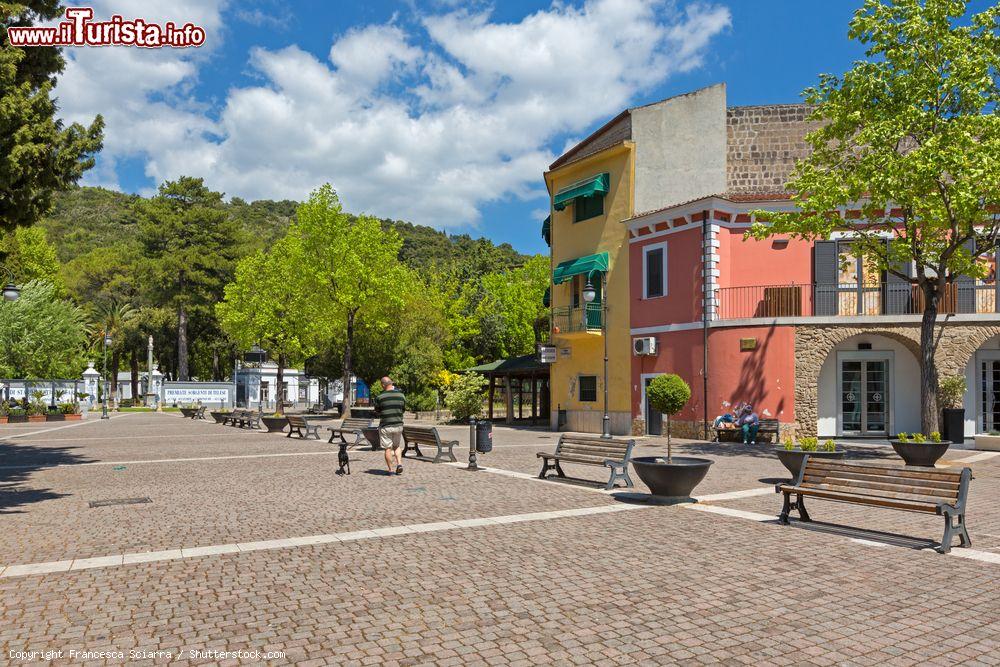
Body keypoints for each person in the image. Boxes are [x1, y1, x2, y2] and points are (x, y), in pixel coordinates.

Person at [374, 376, 406, 475]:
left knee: (387, 448)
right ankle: (399, 464)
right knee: (396, 446)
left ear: (383, 385)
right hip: (398, 424)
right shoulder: (401, 396)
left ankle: (390, 470)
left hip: (386, 425)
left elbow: (377, 411)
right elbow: (403, 409)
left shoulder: (380, 397)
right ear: (391, 383)